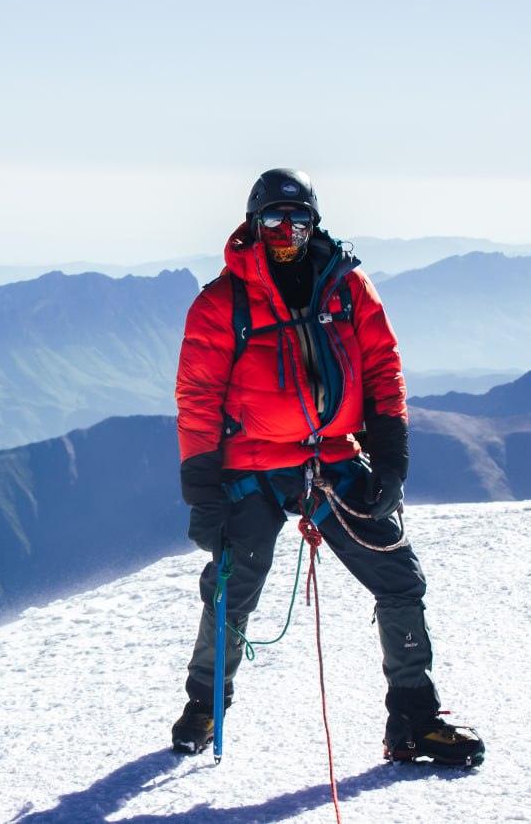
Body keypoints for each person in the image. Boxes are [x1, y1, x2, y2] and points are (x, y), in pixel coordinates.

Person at [171, 168, 484, 766]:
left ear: (315, 221)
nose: (286, 231)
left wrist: (390, 460)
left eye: (298, 219)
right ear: (252, 224)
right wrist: (203, 496)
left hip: (330, 456)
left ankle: (415, 721)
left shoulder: (349, 287)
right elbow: (197, 399)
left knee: (399, 578)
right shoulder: (220, 303)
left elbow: (382, 371)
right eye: (273, 220)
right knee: (232, 591)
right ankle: (205, 704)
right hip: (251, 466)